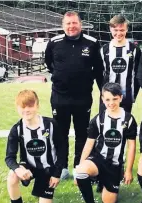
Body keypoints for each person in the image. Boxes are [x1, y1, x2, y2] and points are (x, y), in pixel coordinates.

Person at [44, 11, 104, 179]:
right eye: (68, 24)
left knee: (82, 134)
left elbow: (99, 70)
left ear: (80, 24)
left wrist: (103, 93)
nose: (71, 26)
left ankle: (80, 166)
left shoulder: (92, 43)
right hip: (59, 97)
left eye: (74, 23)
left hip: (82, 97)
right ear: (63, 25)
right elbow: (49, 63)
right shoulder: (54, 42)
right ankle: (61, 167)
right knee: (60, 133)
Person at [73, 83, 138, 203]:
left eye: (114, 99)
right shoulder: (97, 119)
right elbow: (88, 144)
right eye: (107, 99)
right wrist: (79, 166)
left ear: (120, 98)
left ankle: (106, 180)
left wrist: (128, 170)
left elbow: (131, 146)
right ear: (102, 99)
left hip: (114, 164)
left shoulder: (129, 119)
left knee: (109, 202)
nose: (111, 103)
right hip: (98, 159)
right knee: (81, 172)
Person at [5, 90, 66, 203]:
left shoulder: (50, 125)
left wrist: (56, 174)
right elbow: (9, 157)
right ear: (17, 108)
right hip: (29, 167)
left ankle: (42, 190)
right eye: (23, 107)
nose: (26, 110)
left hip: (48, 169)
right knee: (12, 176)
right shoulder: (17, 129)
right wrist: (17, 169)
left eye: (30, 106)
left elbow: (62, 149)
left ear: (37, 106)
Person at [99, 15, 141, 113]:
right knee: (106, 125)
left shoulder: (134, 50)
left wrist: (133, 94)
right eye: (115, 30)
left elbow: (138, 75)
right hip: (107, 98)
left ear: (126, 29)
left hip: (126, 97)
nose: (118, 33)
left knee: (123, 125)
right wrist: (104, 92)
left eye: (122, 30)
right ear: (110, 29)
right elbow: (99, 74)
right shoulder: (103, 50)